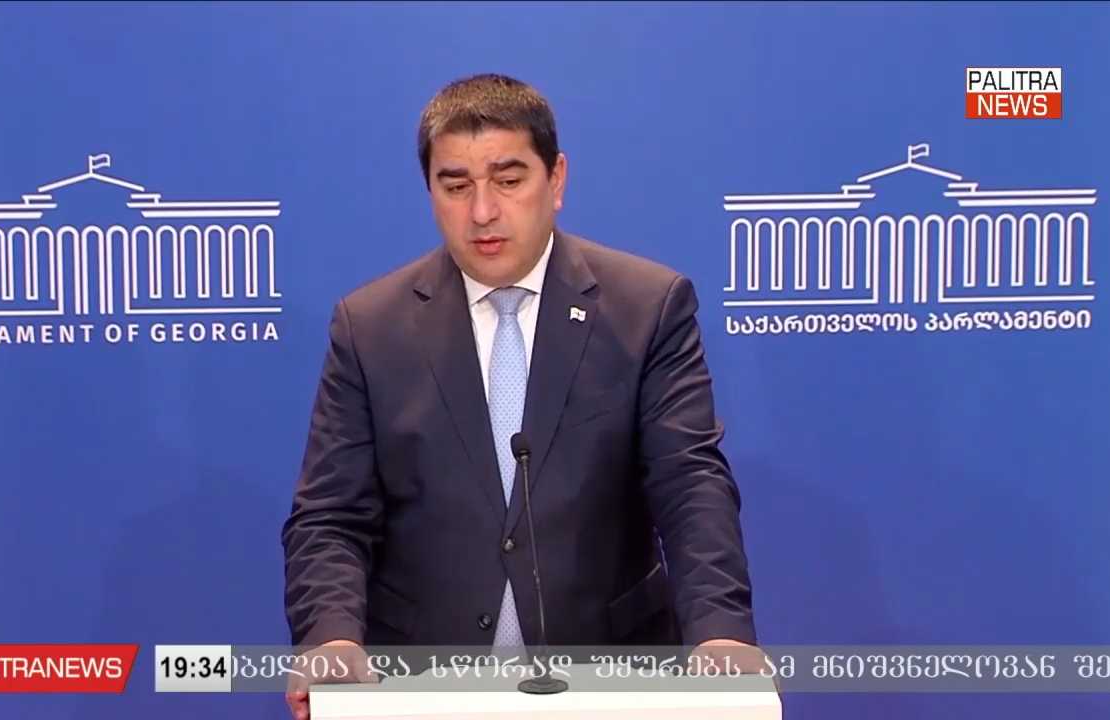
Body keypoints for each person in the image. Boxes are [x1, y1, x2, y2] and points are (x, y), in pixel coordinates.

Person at [280, 73, 756, 719]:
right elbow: (331, 515)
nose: (482, 212)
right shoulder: (370, 327)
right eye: (456, 186)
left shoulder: (646, 308)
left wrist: (720, 633)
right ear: (430, 192)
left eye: (508, 180)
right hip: (424, 685)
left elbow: (690, 483)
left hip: (607, 679)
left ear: (556, 179)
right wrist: (332, 637)